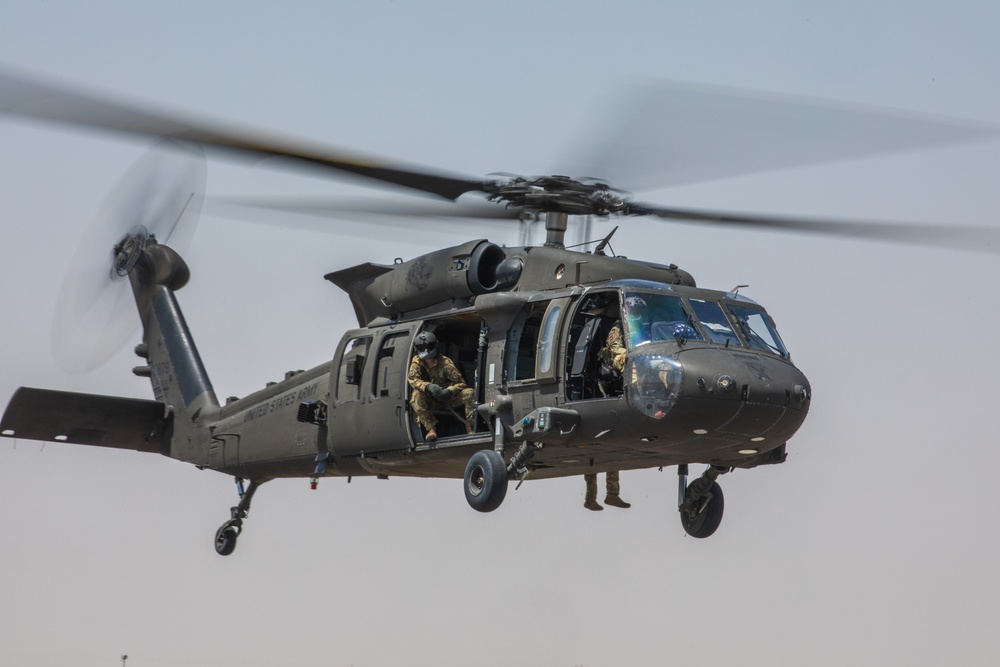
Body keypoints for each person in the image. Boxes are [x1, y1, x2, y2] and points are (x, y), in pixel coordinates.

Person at [407, 331, 475, 441]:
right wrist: (427, 386)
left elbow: (461, 383)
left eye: (428, 346)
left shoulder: (445, 363)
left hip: (449, 399)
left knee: (469, 393)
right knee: (416, 396)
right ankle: (431, 429)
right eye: (422, 347)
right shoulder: (417, 362)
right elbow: (412, 379)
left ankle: (470, 428)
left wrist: (449, 391)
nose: (425, 350)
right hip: (432, 400)